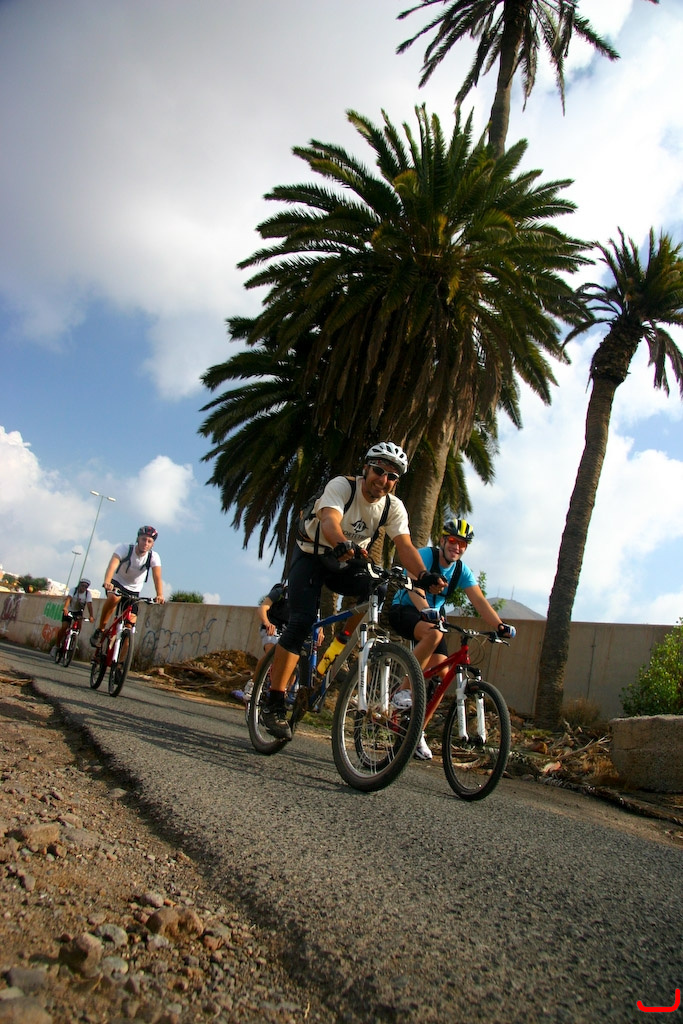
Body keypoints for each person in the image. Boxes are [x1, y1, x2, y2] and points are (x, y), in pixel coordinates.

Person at [260, 441, 447, 740]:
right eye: (378, 471)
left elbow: (405, 546)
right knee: (301, 622)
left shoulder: (393, 507)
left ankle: (342, 642)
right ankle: (274, 702)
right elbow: (329, 520)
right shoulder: (342, 487)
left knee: (378, 585)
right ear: (366, 469)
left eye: (392, 476)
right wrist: (340, 543)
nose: (383, 480)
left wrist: (424, 575)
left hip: (347, 561)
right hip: (312, 555)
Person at [388, 518, 516, 760]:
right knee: (434, 633)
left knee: (443, 675)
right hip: (406, 609)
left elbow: (479, 601)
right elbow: (414, 588)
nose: (457, 547)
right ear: (443, 540)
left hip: (433, 619)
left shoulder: (461, 571)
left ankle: (416, 732)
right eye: (453, 541)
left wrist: (499, 625)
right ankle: (402, 692)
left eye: (462, 544)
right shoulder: (426, 556)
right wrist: (427, 611)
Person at [90, 526, 164, 646]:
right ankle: (100, 629)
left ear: (152, 544)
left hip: (134, 590)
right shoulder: (124, 549)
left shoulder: (153, 557)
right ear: (138, 539)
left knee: (130, 627)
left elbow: (157, 577)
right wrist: (107, 581)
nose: (146, 543)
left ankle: (122, 658)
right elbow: (112, 565)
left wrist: (159, 595)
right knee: (114, 598)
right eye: (143, 539)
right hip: (117, 583)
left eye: (149, 541)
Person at [234, 582, 290, 703]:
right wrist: (267, 623)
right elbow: (263, 608)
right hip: (271, 628)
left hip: (287, 631)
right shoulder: (280, 592)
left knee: (291, 661)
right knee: (272, 654)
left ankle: (286, 691)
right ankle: (253, 685)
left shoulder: (304, 597)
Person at [51, 578, 95, 656]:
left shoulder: (87, 594)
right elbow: (69, 599)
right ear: (79, 585)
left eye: (86, 587)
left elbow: (89, 605)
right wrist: (65, 608)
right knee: (64, 627)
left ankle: (74, 641)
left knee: (79, 626)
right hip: (69, 610)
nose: (84, 588)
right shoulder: (73, 590)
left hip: (78, 612)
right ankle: (56, 646)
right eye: (82, 586)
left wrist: (91, 616)